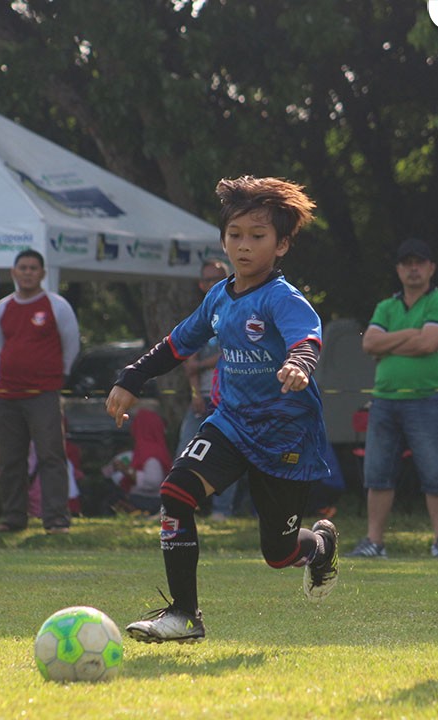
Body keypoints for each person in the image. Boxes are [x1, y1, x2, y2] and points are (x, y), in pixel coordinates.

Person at [106, 175, 339, 644]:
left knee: (276, 554)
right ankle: (184, 616)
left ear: (282, 245)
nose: (244, 246)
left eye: (258, 236)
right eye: (235, 235)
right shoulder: (219, 296)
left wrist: (298, 363)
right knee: (175, 493)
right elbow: (178, 343)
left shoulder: (281, 297)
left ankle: (320, 545)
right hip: (230, 424)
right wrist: (132, 377)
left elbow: (307, 338)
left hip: (285, 436)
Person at [346, 237, 438, 560]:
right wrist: (411, 334)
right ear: (398, 269)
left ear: (431, 268)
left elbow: (428, 344)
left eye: (419, 262)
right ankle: (374, 542)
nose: (413, 268)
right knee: (377, 473)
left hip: (427, 400)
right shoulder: (387, 306)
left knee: (435, 473)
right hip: (383, 400)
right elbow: (369, 343)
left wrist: (389, 342)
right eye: (407, 263)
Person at [0, 249, 79, 535]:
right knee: (10, 459)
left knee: (50, 455)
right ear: (13, 272)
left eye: (33, 268)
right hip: (7, 395)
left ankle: (56, 519)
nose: (27, 272)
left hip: (44, 393)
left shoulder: (57, 305)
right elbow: (3, 345)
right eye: (22, 268)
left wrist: (57, 377)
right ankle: (14, 518)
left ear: (42, 273)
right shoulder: (3, 307)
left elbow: (71, 345)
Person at [175, 259, 243, 520]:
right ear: (201, 285)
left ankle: (222, 510)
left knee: (227, 455)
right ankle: (177, 507)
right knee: (185, 451)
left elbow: (231, 352)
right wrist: (194, 395)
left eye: (217, 279)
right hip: (201, 399)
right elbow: (188, 362)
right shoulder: (200, 317)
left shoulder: (237, 312)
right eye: (206, 280)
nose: (211, 285)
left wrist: (201, 364)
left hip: (229, 399)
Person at [112, 407, 171, 515]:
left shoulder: (151, 452)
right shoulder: (145, 449)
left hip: (149, 501)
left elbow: (153, 482)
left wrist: (126, 470)